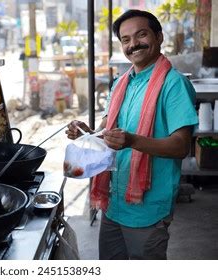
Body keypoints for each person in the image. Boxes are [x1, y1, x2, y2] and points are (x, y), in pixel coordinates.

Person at [65, 9, 198, 260]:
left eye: (141, 35)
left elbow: (181, 146)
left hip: (147, 208)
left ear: (158, 37)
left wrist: (133, 141)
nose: (133, 44)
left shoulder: (173, 84)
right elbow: (107, 129)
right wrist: (88, 133)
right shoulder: (122, 82)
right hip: (114, 203)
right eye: (125, 40)